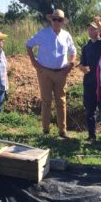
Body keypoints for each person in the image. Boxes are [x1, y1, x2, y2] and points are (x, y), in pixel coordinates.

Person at [26, 9, 77, 139]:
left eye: (59, 20)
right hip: (45, 72)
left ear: (62, 22)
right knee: (46, 101)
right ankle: (45, 130)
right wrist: (34, 63)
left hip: (61, 72)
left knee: (61, 101)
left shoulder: (66, 35)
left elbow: (73, 52)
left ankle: (62, 131)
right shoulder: (43, 33)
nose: (56, 22)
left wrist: (70, 65)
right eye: (54, 19)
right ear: (51, 20)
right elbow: (29, 45)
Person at [78, 16, 101, 142]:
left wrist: (98, 22)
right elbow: (81, 64)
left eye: (94, 29)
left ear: (98, 31)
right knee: (90, 110)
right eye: (89, 29)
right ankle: (91, 136)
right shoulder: (86, 47)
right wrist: (82, 68)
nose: (91, 31)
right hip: (89, 83)